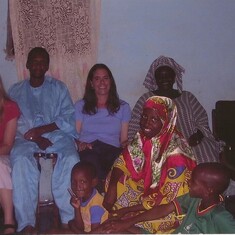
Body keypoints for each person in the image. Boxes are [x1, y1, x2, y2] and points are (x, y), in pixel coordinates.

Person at [8, 47, 80, 233]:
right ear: (27, 64)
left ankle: (69, 217)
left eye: (42, 62)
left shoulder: (58, 87)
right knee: (21, 160)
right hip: (26, 137)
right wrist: (35, 137)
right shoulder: (15, 91)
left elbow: (68, 116)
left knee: (71, 158)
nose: (38, 65)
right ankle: (26, 223)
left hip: (57, 134)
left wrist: (43, 130)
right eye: (35, 61)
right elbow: (15, 120)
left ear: (47, 66)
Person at [102, 96, 197, 234]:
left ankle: (130, 224)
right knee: (117, 177)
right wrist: (112, 187)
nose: (146, 123)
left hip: (169, 206)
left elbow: (166, 202)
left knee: (148, 221)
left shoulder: (177, 155)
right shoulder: (145, 136)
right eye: (144, 117)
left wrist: (127, 211)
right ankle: (124, 221)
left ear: (166, 121)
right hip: (148, 191)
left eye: (154, 119)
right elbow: (123, 159)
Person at [128, 55, 220, 164]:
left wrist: (198, 135)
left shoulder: (187, 97)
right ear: (154, 79)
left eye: (168, 75)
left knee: (206, 156)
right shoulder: (146, 99)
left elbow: (202, 120)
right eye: (160, 76)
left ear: (174, 77)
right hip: (158, 143)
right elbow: (134, 125)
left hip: (190, 140)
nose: (164, 79)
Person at [100, 162, 235, 234]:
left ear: (209, 190)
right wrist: (128, 222)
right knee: (111, 227)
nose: (188, 182)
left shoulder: (220, 217)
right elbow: (164, 209)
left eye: (193, 181)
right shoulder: (195, 199)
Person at [75, 63, 131, 193]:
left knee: (120, 162)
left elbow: (123, 139)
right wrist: (80, 144)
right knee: (91, 161)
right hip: (89, 149)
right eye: (97, 78)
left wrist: (129, 145)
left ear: (110, 81)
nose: (102, 82)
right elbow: (74, 135)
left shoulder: (123, 107)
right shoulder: (80, 106)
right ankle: (98, 199)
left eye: (105, 78)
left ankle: (113, 201)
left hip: (111, 150)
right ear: (91, 83)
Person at [0, 77, 20, 234]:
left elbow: (7, 145)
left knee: (0, 167)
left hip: (2, 154)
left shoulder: (9, 107)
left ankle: (8, 221)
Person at [68, 161, 108, 233]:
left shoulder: (96, 206)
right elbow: (80, 227)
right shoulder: (81, 196)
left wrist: (72, 226)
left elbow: (94, 233)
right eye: (74, 182)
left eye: (82, 182)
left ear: (93, 182)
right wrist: (76, 208)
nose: (77, 186)